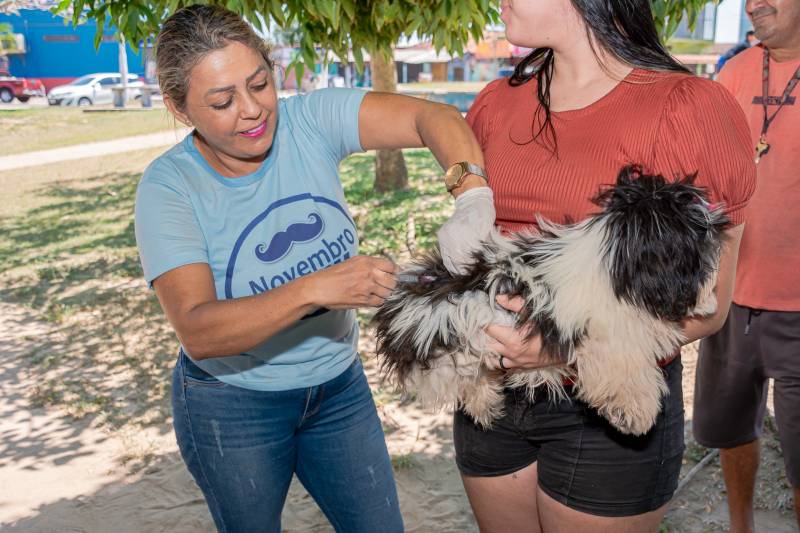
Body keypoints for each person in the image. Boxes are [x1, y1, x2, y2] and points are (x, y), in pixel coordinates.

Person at [134, 5, 488, 532]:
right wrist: (315, 289)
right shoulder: (169, 188)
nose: (252, 110)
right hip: (232, 405)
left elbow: (432, 117)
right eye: (222, 101)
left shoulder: (309, 121)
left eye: (260, 83)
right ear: (179, 108)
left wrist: (472, 197)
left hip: (337, 387)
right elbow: (199, 331)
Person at [433, 0, 757, 531]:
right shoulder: (496, 102)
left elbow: (709, 307)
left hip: (610, 399)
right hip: (490, 388)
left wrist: (564, 347)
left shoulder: (689, 108)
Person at [693, 0, 800, 531]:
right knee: (731, 431)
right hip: (729, 299)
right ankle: (742, 528)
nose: (753, 3)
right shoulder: (733, 72)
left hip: (799, 308)